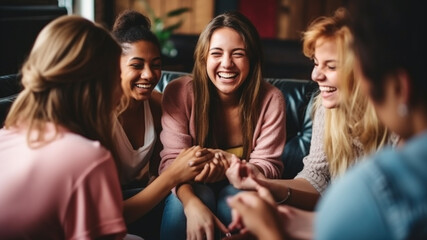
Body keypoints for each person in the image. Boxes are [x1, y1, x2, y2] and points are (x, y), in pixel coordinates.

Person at [228, 0, 427, 239]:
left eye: (331, 66)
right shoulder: (327, 108)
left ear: (361, 70)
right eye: (315, 63)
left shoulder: (398, 141)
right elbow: (317, 179)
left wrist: (271, 230)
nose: (315, 75)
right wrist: (266, 185)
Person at [158, 11, 287, 240]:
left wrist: (228, 163)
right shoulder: (179, 93)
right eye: (216, 53)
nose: (227, 64)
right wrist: (192, 205)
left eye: (238, 54)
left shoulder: (271, 99)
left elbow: (268, 168)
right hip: (189, 186)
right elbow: (171, 164)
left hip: (242, 186)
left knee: (236, 199)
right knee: (188, 205)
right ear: (203, 58)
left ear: (252, 60)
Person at [0, 15, 127, 239]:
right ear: (98, 88)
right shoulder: (88, 159)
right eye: (117, 77)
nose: (122, 93)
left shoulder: (5, 137)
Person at [111, 10, 213, 239]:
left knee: (201, 194)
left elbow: (162, 170)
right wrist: (172, 176)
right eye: (137, 65)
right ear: (114, 65)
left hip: (138, 197)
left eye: (155, 65)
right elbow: (104, 213)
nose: (148, 75)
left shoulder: (158, 105)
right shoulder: (99, 115)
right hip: (106, 210)